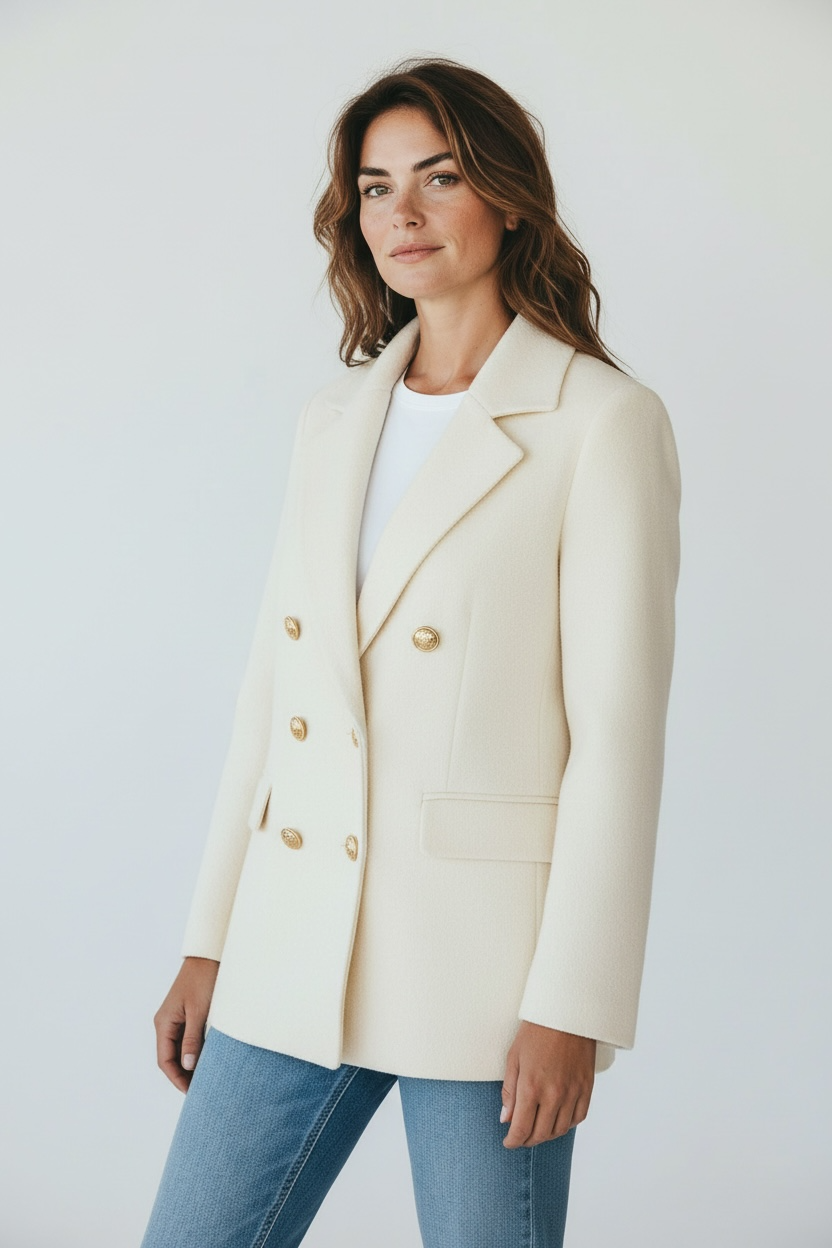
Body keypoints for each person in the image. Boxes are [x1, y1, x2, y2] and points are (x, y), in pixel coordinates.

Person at [140, 55, 681, 1248]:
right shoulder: (332, 422)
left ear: (507, 198)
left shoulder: (599, 422)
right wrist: (210, 938)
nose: (404, 212)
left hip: (483, 973)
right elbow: (272, 699)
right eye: (376, 187)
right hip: (292, 942)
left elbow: (615, 741)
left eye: (439, 177)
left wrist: (573, 1002)